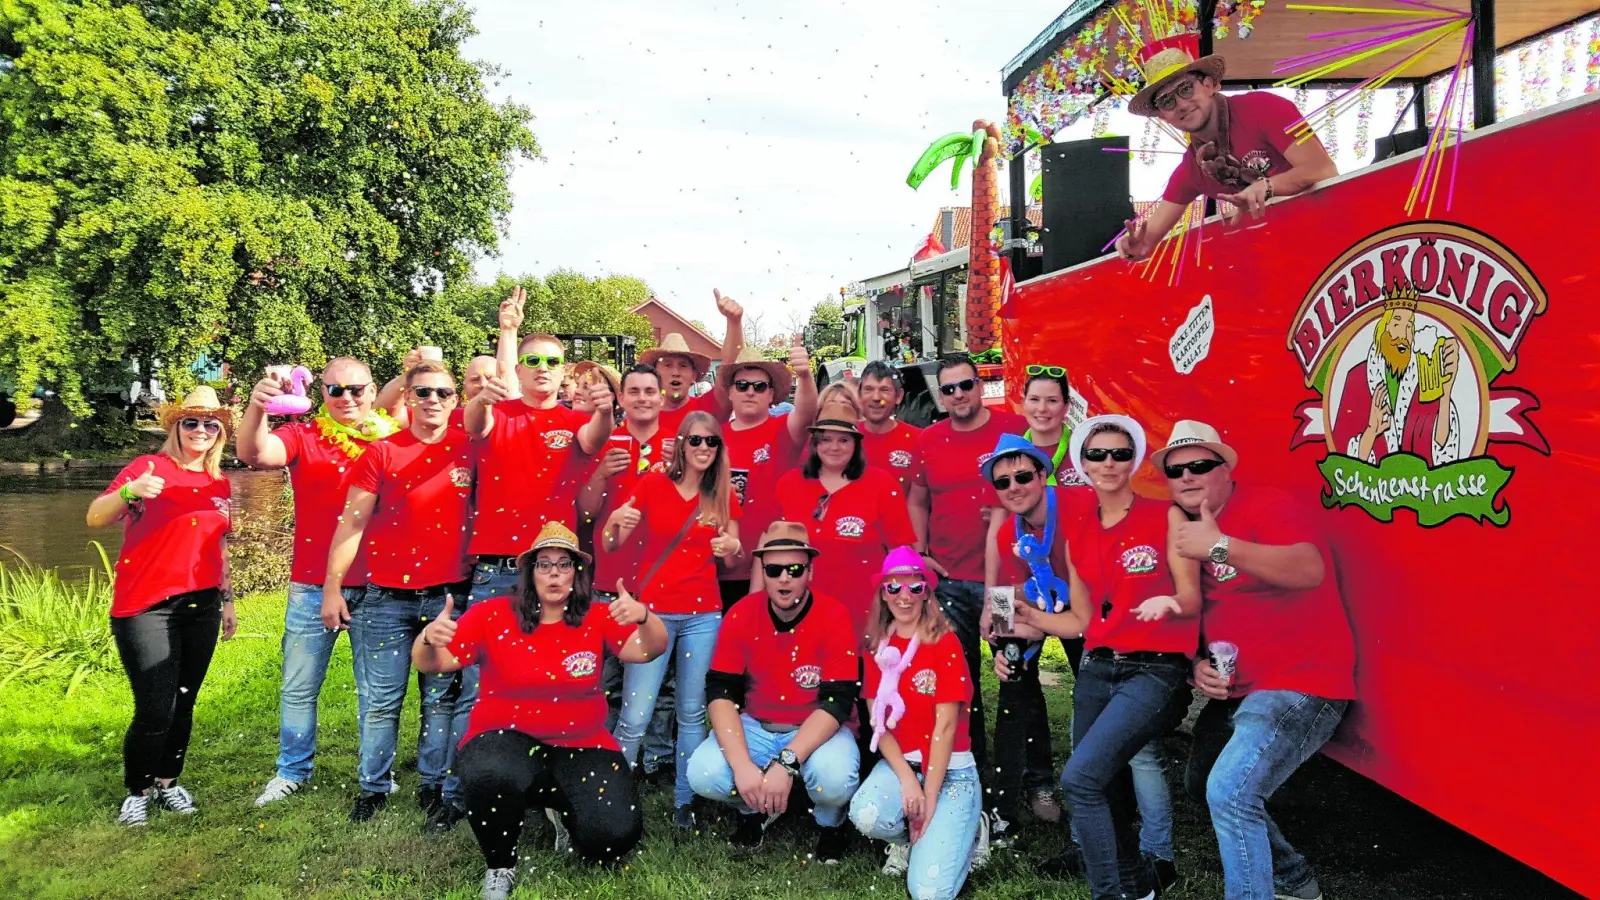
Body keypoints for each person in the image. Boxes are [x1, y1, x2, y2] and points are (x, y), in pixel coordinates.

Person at [1154, 420, 1356, 900]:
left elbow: (1309, 569)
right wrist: (1197, 664)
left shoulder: (1267, 505)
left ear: (1226, 469)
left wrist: (1221, 546)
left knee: (1231, 792)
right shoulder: (1182, 531)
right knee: (1203, 782)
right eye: (1176, 469)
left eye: (1200, 465)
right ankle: (1293, 881)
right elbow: (1196, 611)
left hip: (1301, 681)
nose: (1186, 475)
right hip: (1240, 687)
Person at [412, 522, 665, 900]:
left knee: (613, 837)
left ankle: (565, 813)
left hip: (583, 744)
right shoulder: (492, 614)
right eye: (544, 564)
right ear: (530, 572)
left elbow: (649, 650)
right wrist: (427, 638)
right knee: (488, 772)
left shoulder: (596, 616)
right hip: (505, 740)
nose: (554, 574)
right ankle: (501, 865)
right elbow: (433, 663)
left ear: (576, 574)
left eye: (564, 565)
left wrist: (645, 617)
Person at [1012, 415, 1200, 900]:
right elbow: (1079, 621)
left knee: (1080, 779)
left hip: (1156, 667)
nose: (1108, 463)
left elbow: (1192, 596)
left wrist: (1171, 603)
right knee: (1102, 785)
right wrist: (1030, 619)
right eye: (1097, 454)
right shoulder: (1078, 533)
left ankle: (1110, 892)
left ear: (1134, 458)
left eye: (1119, 453)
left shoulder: (1166, 515)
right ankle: (1138, 886)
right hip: (1098, 664)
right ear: (1082, 462)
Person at [238, 357, 402, 807]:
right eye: (335, 390)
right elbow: (255, 454)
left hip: (380, 586)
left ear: (372, 392)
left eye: (356, 390)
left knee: (377, 691)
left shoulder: (395, 437)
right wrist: (258, 407)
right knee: (299, 684)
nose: (347, 399)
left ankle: (378, 774)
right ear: (321, 394)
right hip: (312, 583)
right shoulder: (303, 436)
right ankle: (292, 769)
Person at [321, 360, 475, 827]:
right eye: (423, 392)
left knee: (440, 698)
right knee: (382, 699)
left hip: (448, 595)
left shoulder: (470, 451)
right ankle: (373, 786)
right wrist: (332, 586)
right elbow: (352, 522)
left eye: (443, 393)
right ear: (406, 398)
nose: (433, 401)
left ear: (456, 401)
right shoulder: (382, 453)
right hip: (385, 597)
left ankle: (433, 783)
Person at [86, 387, 238, 826]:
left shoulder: (219, 482)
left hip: (203, 605)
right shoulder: (147, 467)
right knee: (156, 706)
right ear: (175, 426)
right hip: (146, 606)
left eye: (211, 424)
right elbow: (96, 517)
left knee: (185, 702)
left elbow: (219, 546)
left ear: (220, 433)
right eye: (191, 422)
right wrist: (130, 492)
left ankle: (169, 781)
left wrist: (228, 602)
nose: (201, 430)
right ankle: (138, 789)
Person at [688, 522, 860, 864]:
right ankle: (752, 809)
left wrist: (787, 762)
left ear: (810, 571)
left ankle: (830, 822)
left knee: (835, 779)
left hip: (816, 728)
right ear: (762, 572)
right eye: (774, 569)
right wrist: (742, 767)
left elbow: (836, 702)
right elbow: (721, 691)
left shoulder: (835, 615)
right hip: (758, 725)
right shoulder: (742, 614)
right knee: (703, 773)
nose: (784, 578)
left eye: (795, 569)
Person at [604, 410, 743, 830]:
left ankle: (686, 802)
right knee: (635, 714)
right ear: (681, 443)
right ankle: (612, 801)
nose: (704, 448)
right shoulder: (652, 484)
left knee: (690, 711)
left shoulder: (722, 494)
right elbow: (612, 547)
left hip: (703, 614)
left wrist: (733, 545)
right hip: (654, 613)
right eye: (696, 440)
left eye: (712, 442)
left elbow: (733, 555)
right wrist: (613, 522)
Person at [907, 354, 1026, 829]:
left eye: (965, 386)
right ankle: (969, 778)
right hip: (950, 581)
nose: (958, 396)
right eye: (949, 389)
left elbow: (1039, 486)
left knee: (1014, 682)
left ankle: (1018, 790)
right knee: (961, 685)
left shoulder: (1011, 428)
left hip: (1002, 585)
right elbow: (918, 497)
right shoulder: (929, 440)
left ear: (981, 386)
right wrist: (919, 551)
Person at [1114, 36, 1337, 261]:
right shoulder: (1192, 168)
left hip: (1332, 240)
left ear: (1209, 85)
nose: (1181, 104)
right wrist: (1134, 247)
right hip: (1281, 258)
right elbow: (1146, 240)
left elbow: (1323, 170)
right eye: (1167, 102)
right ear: (1162, 116)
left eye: (1185, 89)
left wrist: (1268, 187)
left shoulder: (1264, 108)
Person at [849, 546, 987, 898]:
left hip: (951, 771)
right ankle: (913, 838)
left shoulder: (945, 642)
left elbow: (945, 728)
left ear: (927, 592)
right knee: (866, 815)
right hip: (905, 766)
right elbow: (878, 723)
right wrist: (910, 783)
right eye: (893, 587)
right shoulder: (876, 645)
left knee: (928, 892)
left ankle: (968, 830)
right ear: (883, 593)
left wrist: (927, 797)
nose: (904, 597)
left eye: (915, 587)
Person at [575, 363, 675, 774]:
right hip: (610, 581)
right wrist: (601, 473)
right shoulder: (603, 441)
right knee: (609, 678)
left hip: (662, 581)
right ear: (621, 398)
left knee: (665, 684)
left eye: (649, 391)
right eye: (633, 391)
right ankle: (607, 756)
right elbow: (584, 510)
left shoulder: (679, 443)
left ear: (662, 396)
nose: (642, 399)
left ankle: (658, 759)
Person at [980, 434, 1081, 830]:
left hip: (1089, 612)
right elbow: (1007, 592)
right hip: (1041, 607)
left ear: (1044, 475)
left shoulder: (1079, 507)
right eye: (1002, 482)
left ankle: (1106, 797)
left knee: (1095, 693)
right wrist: (1002, 640)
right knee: (1012, 682)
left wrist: (1033, 623)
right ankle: (1008, 804)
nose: (1013, 488)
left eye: (1022, 477)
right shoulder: (1011, 531)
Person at [768, 399, 915, 647]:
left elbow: (900, 554)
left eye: (843, 440)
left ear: (856, 444)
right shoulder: (789, 485)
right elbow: (769, 550)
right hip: (800, 610)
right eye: (825, 439)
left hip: (864, 613)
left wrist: (903, 609)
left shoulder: (881, 485)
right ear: (814, 443)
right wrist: (760, 604)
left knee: (861, 681)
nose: (834, 447)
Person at [715, 341, 818, 610]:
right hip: (720, 565)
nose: (750, 391)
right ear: (730, 392)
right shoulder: (713, 437)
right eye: (742, 385)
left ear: (771, 394)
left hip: (774, 568)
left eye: (759, 386)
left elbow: (807, 412)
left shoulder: (783, 429)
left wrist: (805, 376)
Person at [643, 289, 746, 436]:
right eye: (667, 365)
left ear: (693, 375)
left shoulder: (706, 408)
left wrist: (734, 322)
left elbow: (729, 363)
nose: (675, 372)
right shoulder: (641, 416)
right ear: (655, 374)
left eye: (683, 366)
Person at [857, 361, 922, 496]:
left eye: (884, 390)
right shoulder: (845, 438)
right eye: (868, 389)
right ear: (859, 395)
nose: (876, 398)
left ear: (898, 396)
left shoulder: (919, 441)